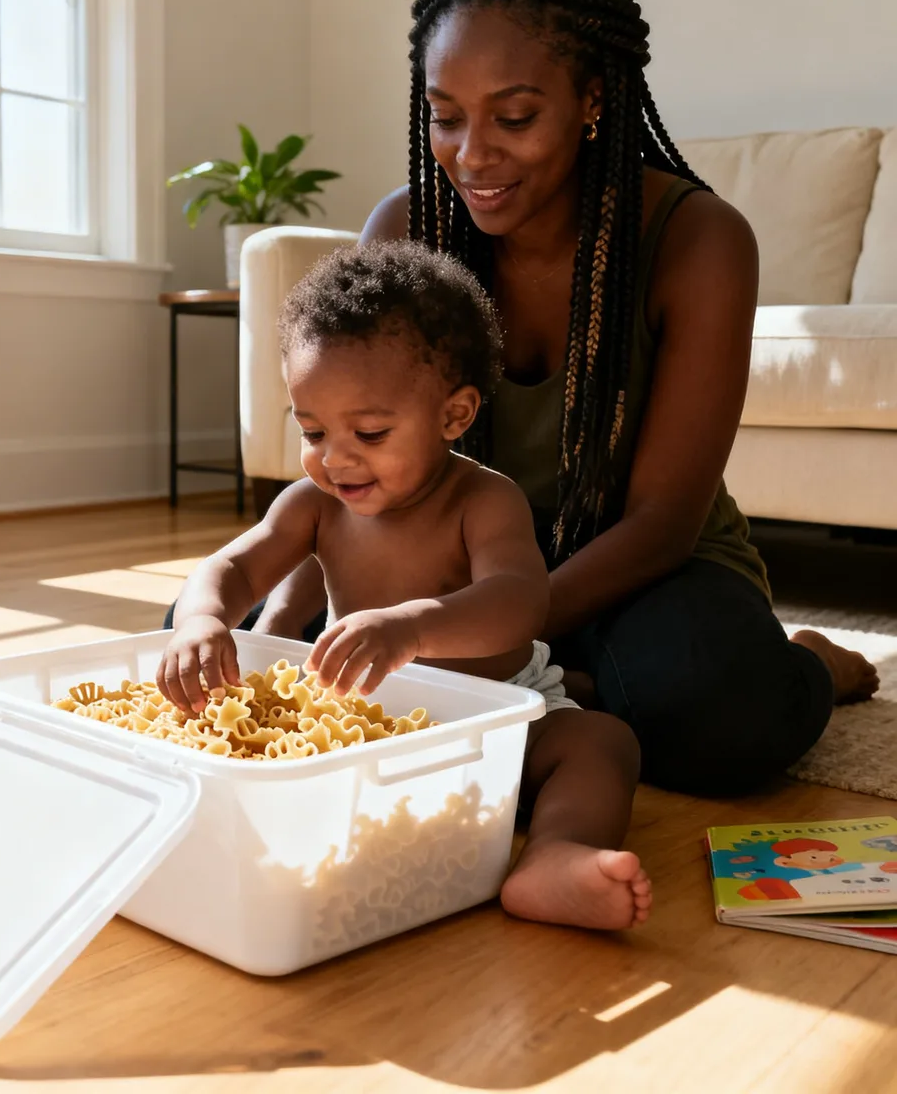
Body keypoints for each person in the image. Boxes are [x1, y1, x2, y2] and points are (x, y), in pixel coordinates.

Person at [249, 0, 877, 798]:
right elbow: (353, 483)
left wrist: (495, 637)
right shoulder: (405, 232)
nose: (472, 155)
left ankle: (811, 663)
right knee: (223, 638)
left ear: (591, 98)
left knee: (718, 715)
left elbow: (660, 523)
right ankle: (563, 695)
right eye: (445, 116)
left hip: (638, 565)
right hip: (447, 555)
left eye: (513, 117)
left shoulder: (697, 240)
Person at [161, 240, 652, 930]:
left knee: (602, 745)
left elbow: (520, 603)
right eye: (313, 429)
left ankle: (556, 854)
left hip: (498, 714)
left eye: (369, 431)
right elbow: (233, 567)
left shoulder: (485, 500)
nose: (335, 457)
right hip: (364, 721)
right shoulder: (314, 503)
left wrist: (414, 628)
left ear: (454, 416)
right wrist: (201, 621)